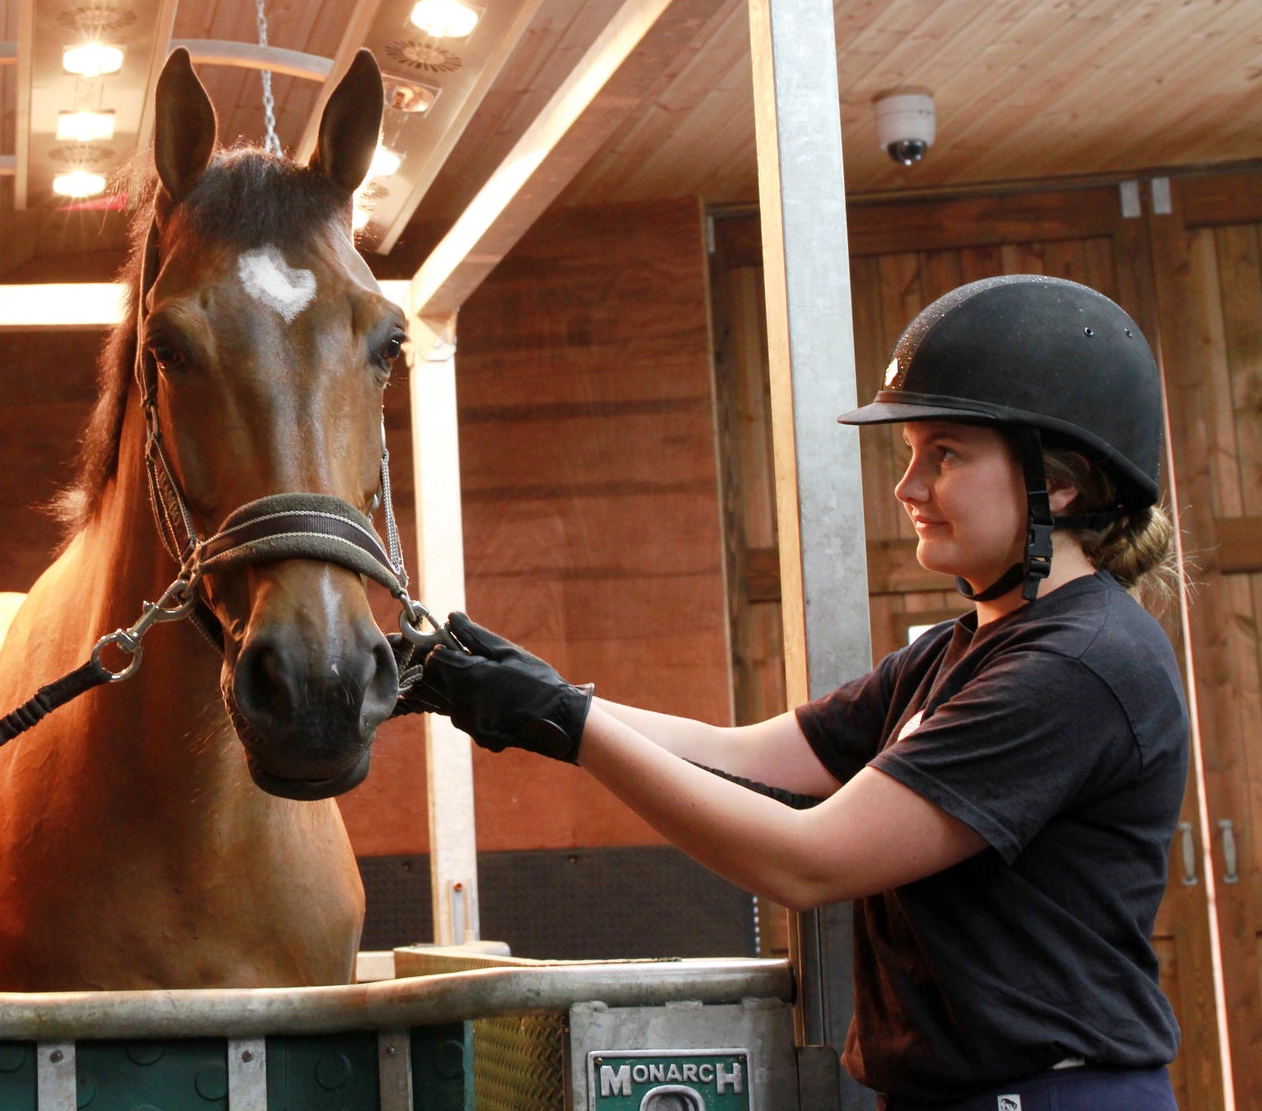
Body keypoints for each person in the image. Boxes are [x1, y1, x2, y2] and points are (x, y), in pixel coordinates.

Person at [405, 275, 1190, 1111]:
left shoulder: (1078, 665)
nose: (908, 488)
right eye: (910, 453)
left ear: (1059, 483)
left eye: (947, 453)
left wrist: (569, 722)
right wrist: (533, 696)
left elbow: (808, 859)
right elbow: (752, 757)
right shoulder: (961, 650)